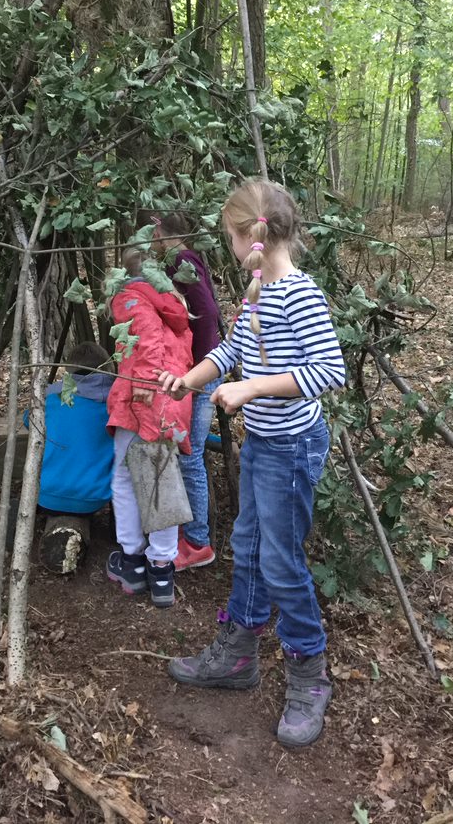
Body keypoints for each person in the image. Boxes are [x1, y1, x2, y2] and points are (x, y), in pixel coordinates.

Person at [159, 179, 346, 747]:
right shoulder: (258, 292)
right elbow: (232, 350)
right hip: (264, 446)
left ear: (250, 235)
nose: (231, 248)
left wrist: (252, 391)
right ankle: (239, 656)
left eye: (230, 237)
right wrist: (187, 381)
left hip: (292, 449)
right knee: (248, 545)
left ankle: (310, 676)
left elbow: (327, 372)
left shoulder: (298, 293)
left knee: (282, 563)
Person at [106, 247, 194, 607]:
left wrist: (144, 386)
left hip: (144, 398)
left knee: (126, 477)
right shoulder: (172, 302)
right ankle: (161, 569)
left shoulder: (131, 297)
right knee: (161, 478)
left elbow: (146, 341)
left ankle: (133, 561)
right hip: (172, 398)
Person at [152, 212, 222, 570]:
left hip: (201, 372)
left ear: (160, 230)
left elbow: (208, 313)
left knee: (189, 453)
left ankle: (198, 543)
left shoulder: (180, 259)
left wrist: (197, 366)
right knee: (189, 451)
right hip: (201, 369)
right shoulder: (187, 258)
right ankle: (192, 534)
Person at [8, 342, 114, 557]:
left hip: (44, 494)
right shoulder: (116, 401)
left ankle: (14, 538)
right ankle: (120, 530)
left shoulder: (51, 396)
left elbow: (30, 421)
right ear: (107, 368)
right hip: (94, 498)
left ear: (68, 370)